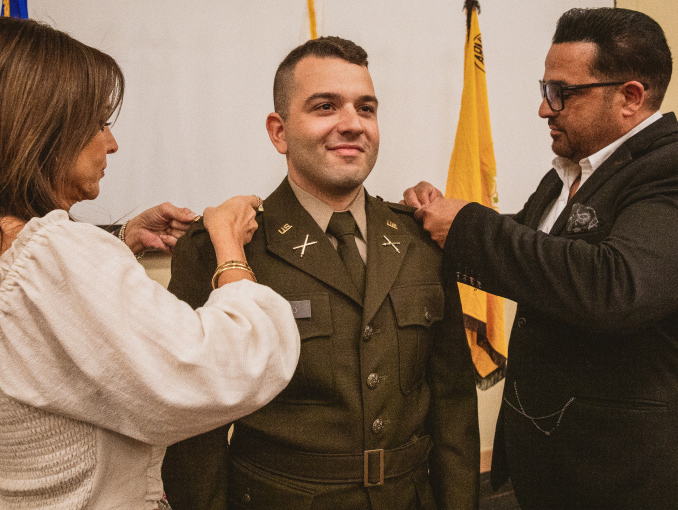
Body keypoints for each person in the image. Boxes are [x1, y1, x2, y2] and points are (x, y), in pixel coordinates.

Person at [162, 36, 479, 510]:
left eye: (366, 108)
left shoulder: (420, 241)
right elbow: (194, 422)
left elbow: (452, 401)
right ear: (279, 131)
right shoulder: (224, 249)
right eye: (325, 107)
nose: (352, 124)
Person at [0, 17, 300, 509]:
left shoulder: (30, 252)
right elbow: (217, 372)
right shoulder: (55, 255)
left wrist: (121, 237)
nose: (111, 143)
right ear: (45, 126)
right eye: (98, 123)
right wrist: (228, 248)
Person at [403, 7, 678, 510]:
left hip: (622, 472)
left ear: (631, 98)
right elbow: (540, 247)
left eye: (562, 93)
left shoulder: (668, 171)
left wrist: (466, 225)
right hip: (551, 459)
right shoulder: (568, 171)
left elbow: (614, 286)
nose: (544, 109)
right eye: (543, 90)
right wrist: (434, 218)